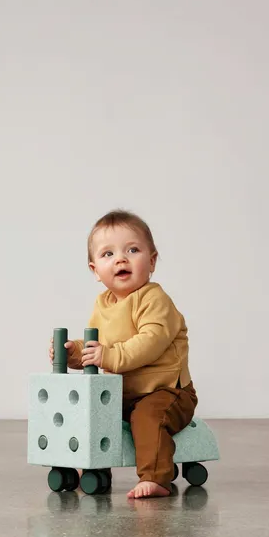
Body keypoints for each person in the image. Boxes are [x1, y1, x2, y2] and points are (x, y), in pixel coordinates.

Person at [49, 209, 198, 499]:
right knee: (91, 414)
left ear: (151, 261)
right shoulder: (103, 304)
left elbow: (150, 342)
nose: (121, 259)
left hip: (166, 391)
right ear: (95, 270)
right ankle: (90, 466)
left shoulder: (155, 299)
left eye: (132, 250)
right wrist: (73, 353)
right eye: (108, 254)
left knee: (149, 417)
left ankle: (156, 477)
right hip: (123, 393)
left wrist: (108, 357)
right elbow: (97, 345)